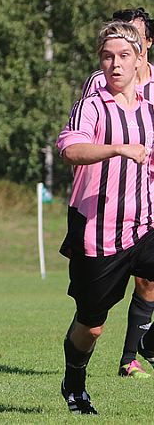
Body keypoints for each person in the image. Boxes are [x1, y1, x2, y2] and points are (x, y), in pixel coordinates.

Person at [57, 21, 154, 414]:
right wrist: (117, 148)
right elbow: (71, 150)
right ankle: (74, 384)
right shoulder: (91, 106)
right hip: (98, 235)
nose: (115, 64)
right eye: (108, 56)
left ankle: (148, 342)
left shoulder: (150, 111)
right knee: (91, 326)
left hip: (145, 227)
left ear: (139, 60)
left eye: (124, 56)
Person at [79, 7, 154, 379]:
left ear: (146, 46)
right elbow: (81, 140)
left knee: (149, 279)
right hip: (106, 208)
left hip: (148, 200)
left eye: (134, 38)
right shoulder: (97, 86)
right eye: (112, 52)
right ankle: (86, 364)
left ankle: (134, 354)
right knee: (95, 316)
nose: (119, 58)